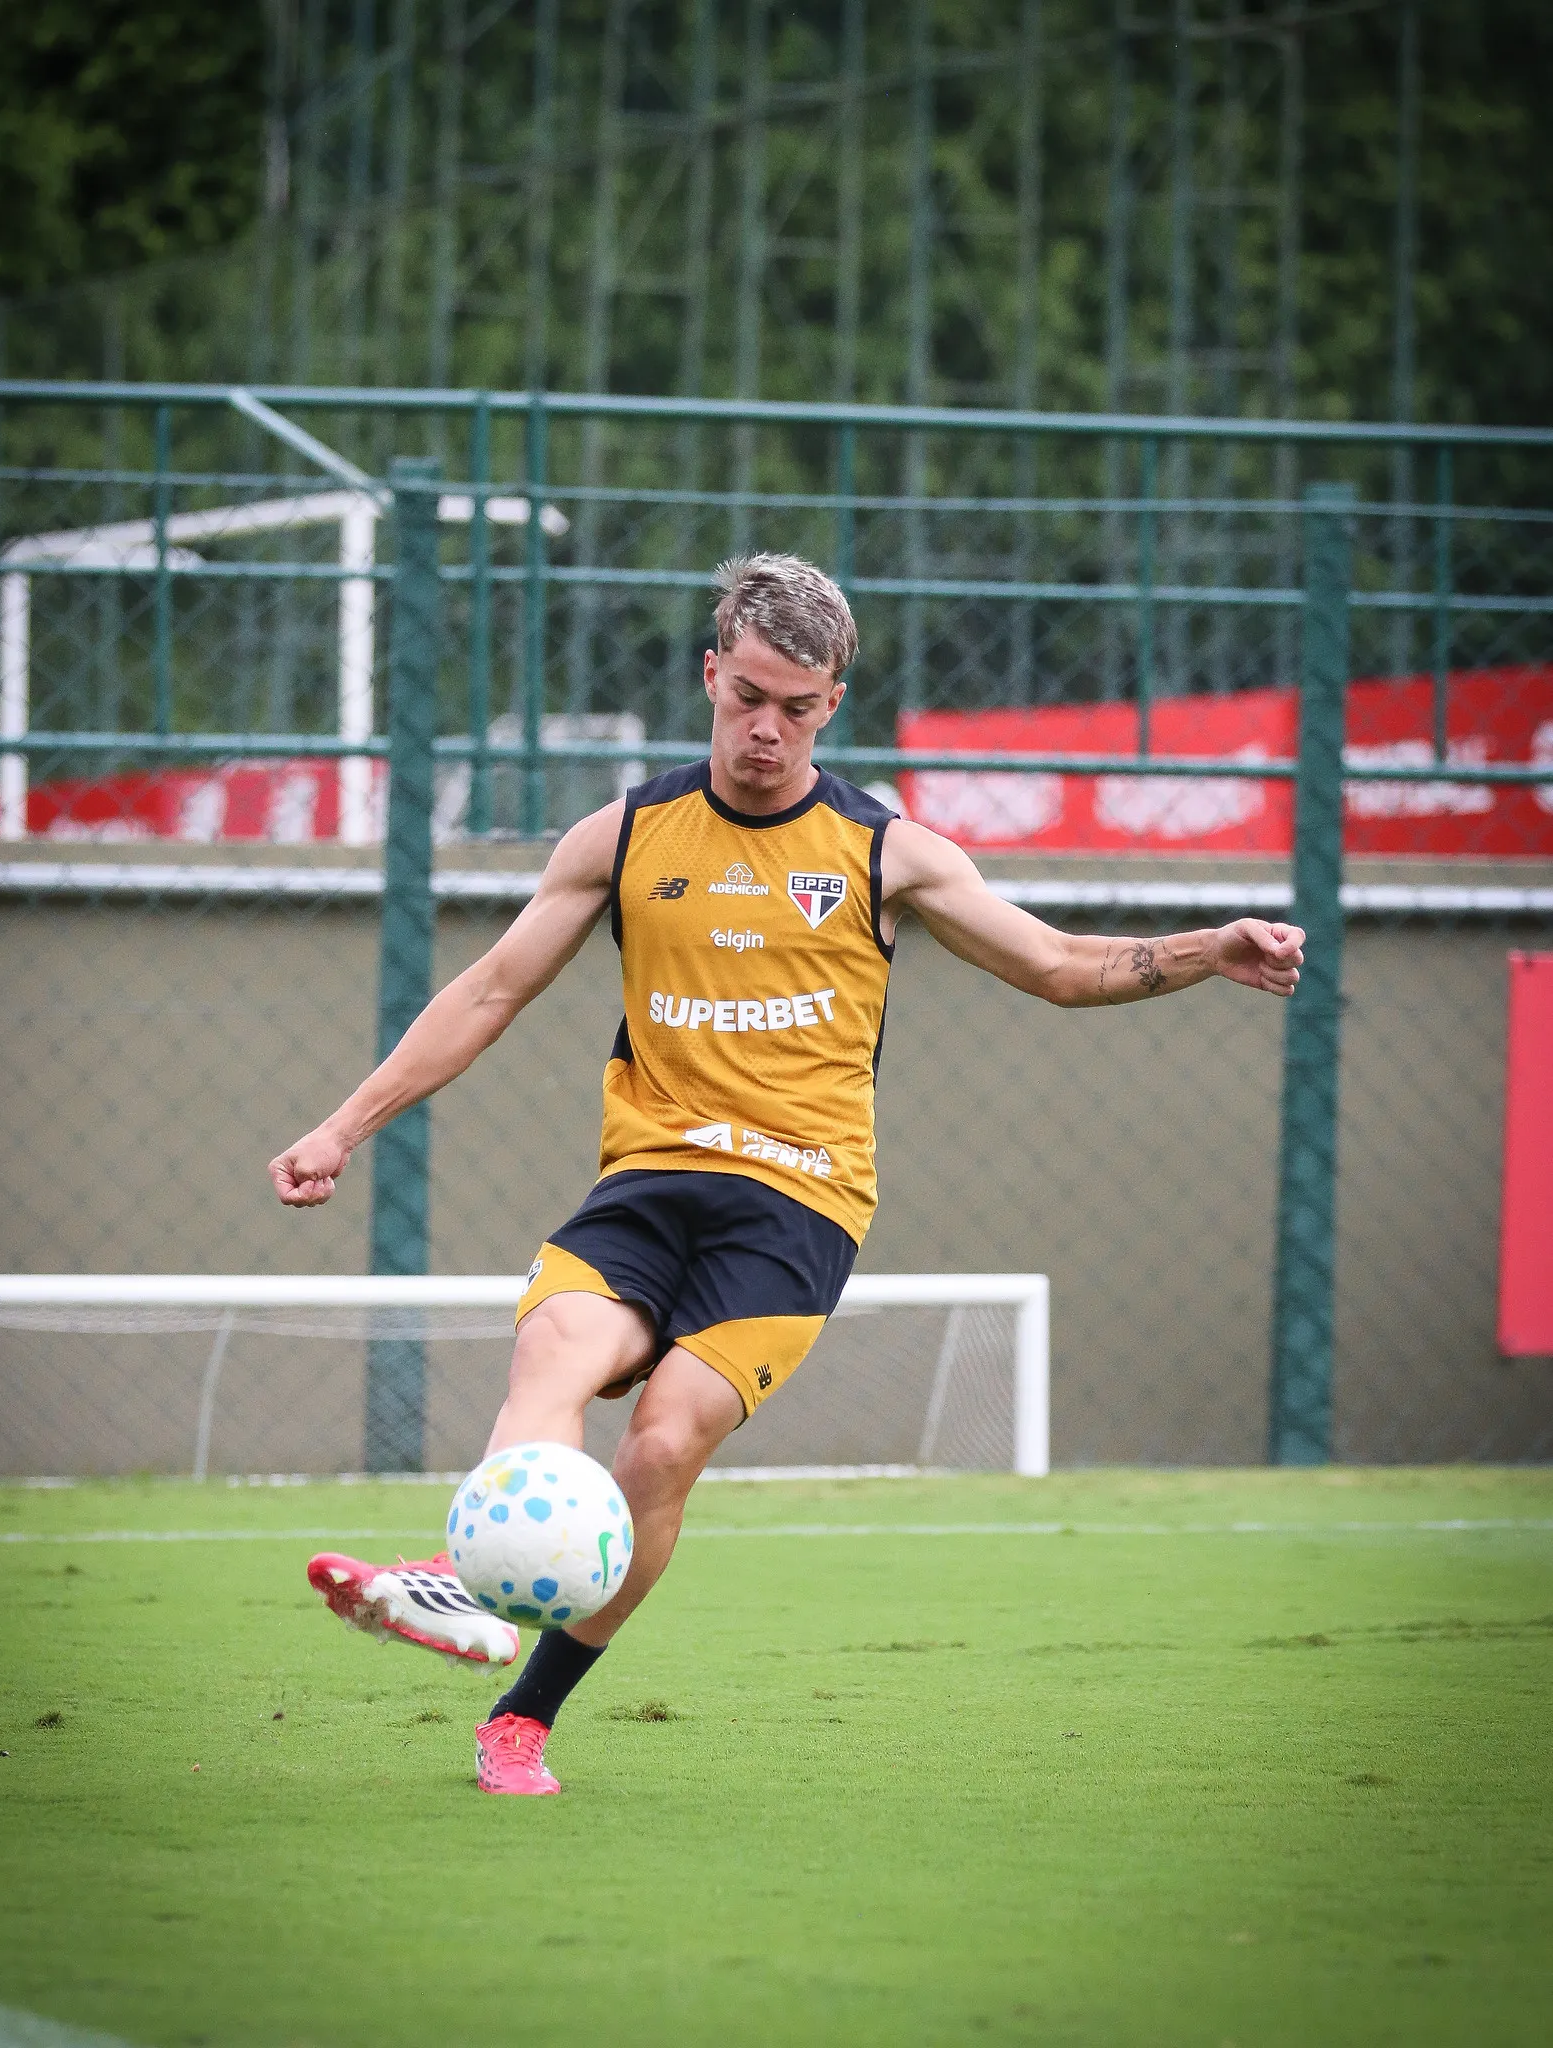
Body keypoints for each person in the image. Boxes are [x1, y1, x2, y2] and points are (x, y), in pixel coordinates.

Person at [270, 552, 1305, 1796]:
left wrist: (1209, 948)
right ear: (710, 673)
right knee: (550, 1354)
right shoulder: (626, 833)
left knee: (659, 1445)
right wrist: (342, 1125)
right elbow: (489, 990)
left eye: (797, 706)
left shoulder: (885, 851)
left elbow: (1058, 965)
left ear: (833, 704)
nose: (765, 728)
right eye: (746, 694)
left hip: (798, 1202)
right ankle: (481, 1591)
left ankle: (521, 1713)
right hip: (649, 1176)